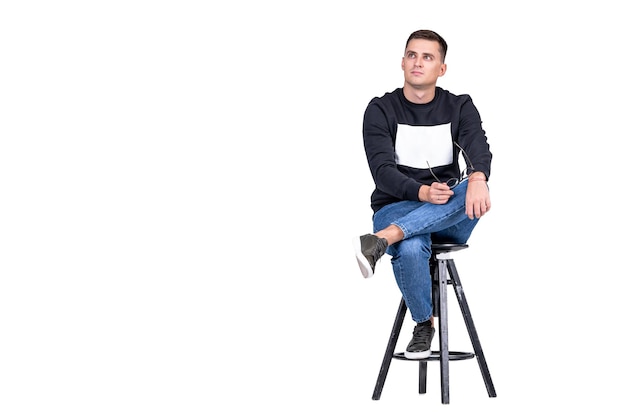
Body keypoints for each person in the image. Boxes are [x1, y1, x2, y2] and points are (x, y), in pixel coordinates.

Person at [353, 29, 492, 360]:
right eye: (412, 55)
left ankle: (383, 238)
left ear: (441, 68)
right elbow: (383, 173)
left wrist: (478, 176)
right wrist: (421, 192)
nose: (418, 63)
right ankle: (423, 325)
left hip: (447, 212)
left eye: (428, 57)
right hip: (396, 205)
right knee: (413, 245)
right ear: (402, 62)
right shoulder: (380, 109)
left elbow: (478, 147)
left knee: (471, 187)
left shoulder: (459, 106)